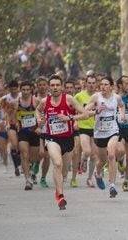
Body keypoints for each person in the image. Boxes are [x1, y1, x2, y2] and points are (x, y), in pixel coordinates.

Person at [35, 75, 90, 210]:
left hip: (67, 138)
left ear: (62, 86)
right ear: (49, 87)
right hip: (51, 138)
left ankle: (60, 187)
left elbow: (85, 114)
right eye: (52, 85)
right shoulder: (44, 101)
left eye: (57, 85)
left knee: (64, 171)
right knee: (57, 164)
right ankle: (60, 195)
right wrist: (39, 119)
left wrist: (69, 117)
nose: (55, 88)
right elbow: (37, 110)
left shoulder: (69, 99)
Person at [85, 76, 127, 198]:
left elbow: (122, 105)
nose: (103, 86)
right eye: (101, 84)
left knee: (112, 155)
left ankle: (112, 185)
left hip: (113, 130)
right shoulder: (96, 97)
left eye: (106, 84)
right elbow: (85, 110)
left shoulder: (116, 97)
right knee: (102, 160)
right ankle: (98, 174)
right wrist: (95, 111)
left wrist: (122, 115)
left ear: (111, 86)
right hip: (99, 133)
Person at [16, 81, 41, 190]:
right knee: (24, 154)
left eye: (27, 90)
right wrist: (14, 123)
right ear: (20, 90)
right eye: (23, 90)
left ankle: (31, 168)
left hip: (35, 131)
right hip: (23, 131)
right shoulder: (16, 102)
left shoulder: (36, 101)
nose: (25, 92)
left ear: (31, 90)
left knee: (34, 157)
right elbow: (12, 115)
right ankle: (27, 180)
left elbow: (43, 114)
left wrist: (40, 126)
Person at [74, 75, 98, 187]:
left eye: (94, 83)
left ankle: (89, 178)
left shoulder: (99, 96)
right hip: (83, 127)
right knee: (87, 151)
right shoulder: (79, 96)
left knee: (94, 156)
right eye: (90, 83)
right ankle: (83, 160)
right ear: (86, 83)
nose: (92, 85)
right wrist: (75, 122)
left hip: (96, 128)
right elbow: (74, 109)